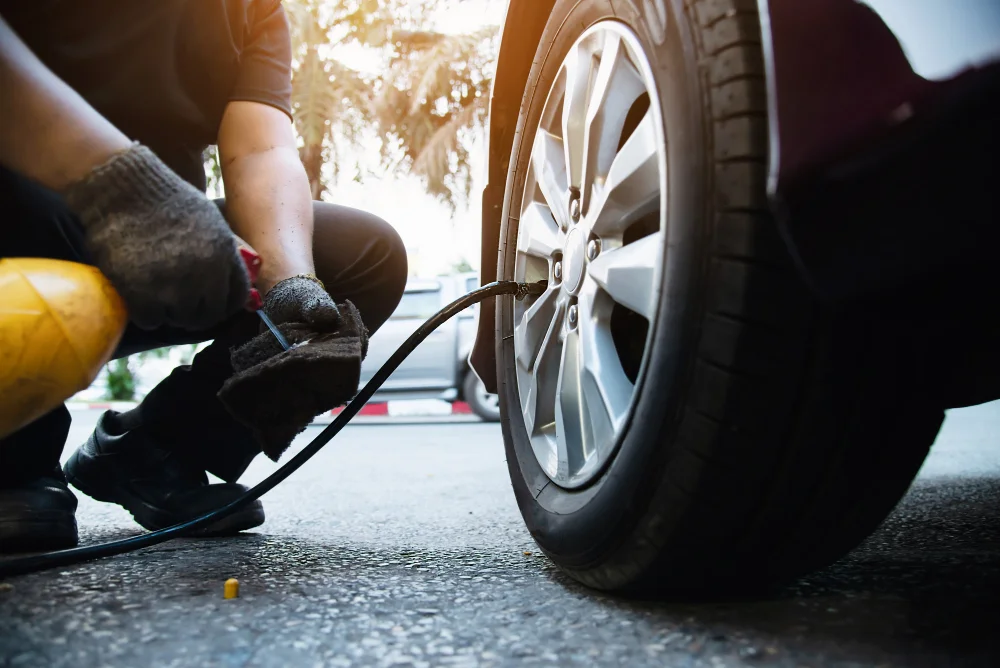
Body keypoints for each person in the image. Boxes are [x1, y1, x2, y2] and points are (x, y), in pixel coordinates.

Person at [0, 1, 408, 551]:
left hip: (161, 249)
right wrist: (120, 188)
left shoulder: (251, 10)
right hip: (25, 228)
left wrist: (292, 286)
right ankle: (15, 461)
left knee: (364, 256)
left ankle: (158, 450)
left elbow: (260, 148)